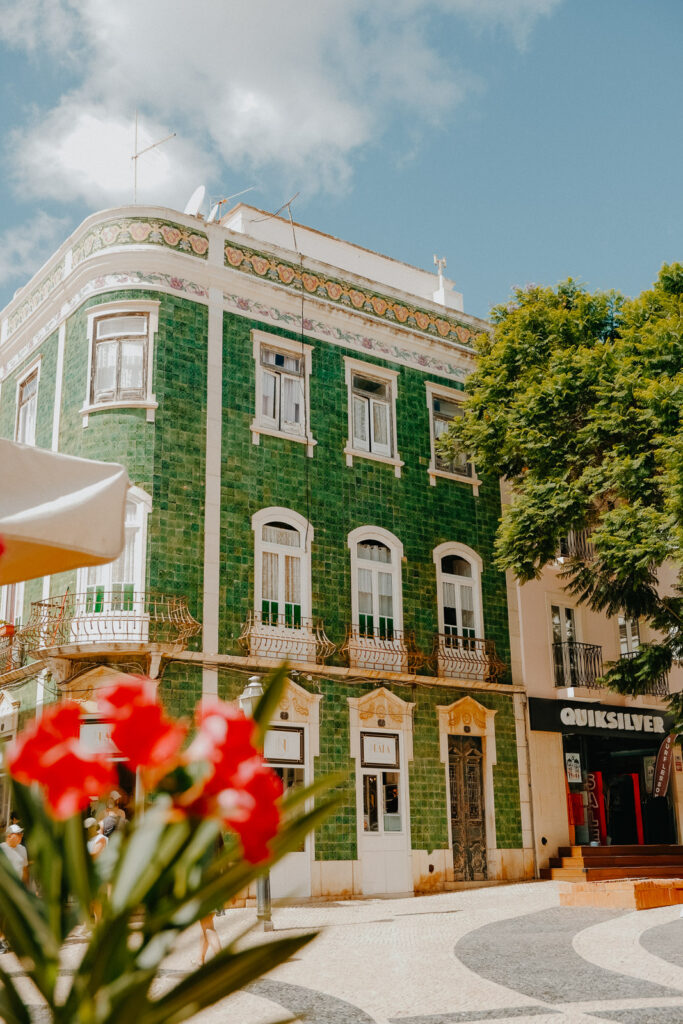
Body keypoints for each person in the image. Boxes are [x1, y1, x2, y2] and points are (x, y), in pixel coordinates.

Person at [0, 824, 29, 954]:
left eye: (21, 834)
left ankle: (7, 940)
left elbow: (25, 869)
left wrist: (26, 887)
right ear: (9, 836)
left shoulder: (22, 849)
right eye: (18, 834)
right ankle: (1, 940)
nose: (20, 836)